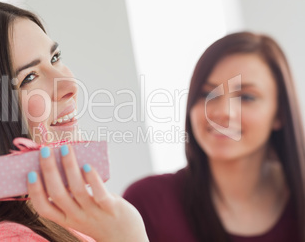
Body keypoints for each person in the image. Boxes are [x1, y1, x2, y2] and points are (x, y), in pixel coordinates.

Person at [0, 1, 148, 242]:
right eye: (30, 77)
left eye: (55, 58)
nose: (70, 87)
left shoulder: (51, 221)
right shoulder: (7, 238)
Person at [123, 32, 305, 241]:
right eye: (207, 94)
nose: (222, 112)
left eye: (246, 96)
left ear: (279, 113)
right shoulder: (147, 203)